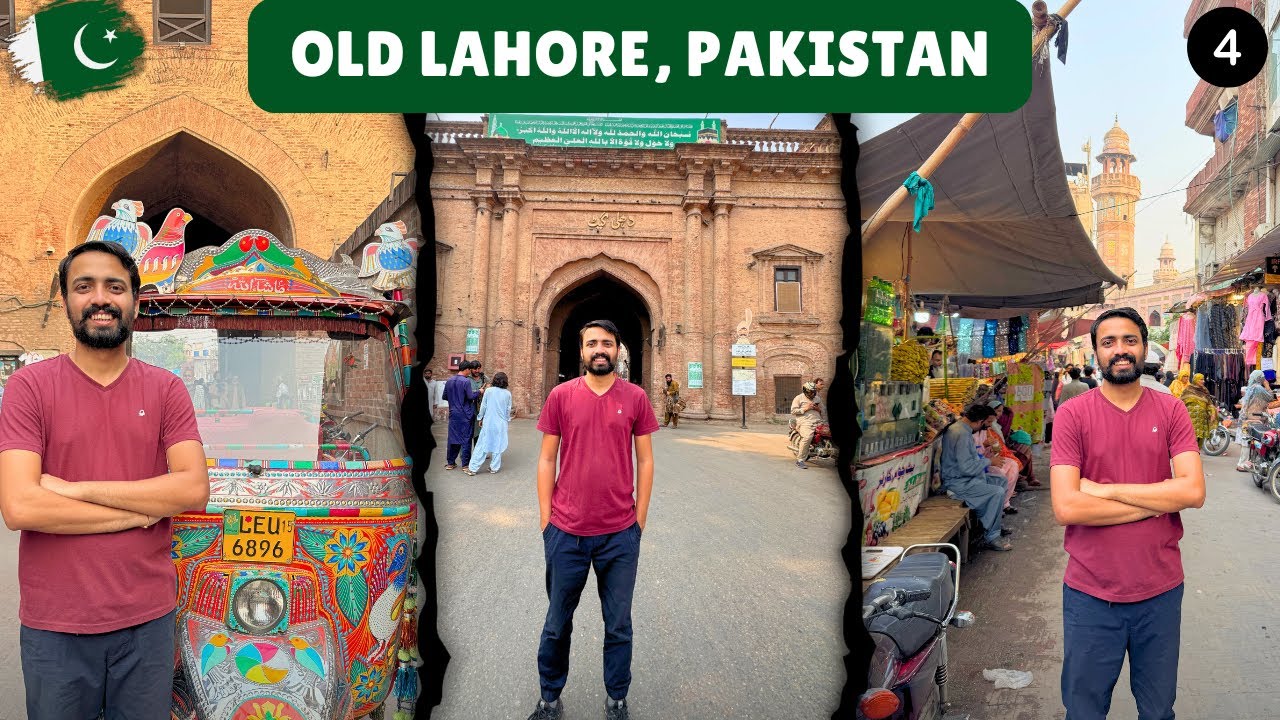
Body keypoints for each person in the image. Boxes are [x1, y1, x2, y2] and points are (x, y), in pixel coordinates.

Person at [0, 241, 209, 720]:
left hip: (146, 622)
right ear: (65, 301)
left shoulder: (165, 389)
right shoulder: (29, 388)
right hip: (56, 626)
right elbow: (22, 507)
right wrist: (142, 511)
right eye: (84, 286)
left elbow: (192, 490)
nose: (100, 298)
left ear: (134, 300)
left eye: (115, 287)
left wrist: (74, 490)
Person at [1049, 307, 1205, 720]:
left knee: (1158, 711)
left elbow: (1192, 490)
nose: (1120, 350)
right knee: (1083, 711)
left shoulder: (1171, 410)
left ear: (1144, 346)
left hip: (1160, 589)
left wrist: (1106, 491)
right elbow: (1067, 506)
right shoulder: (1072, 414)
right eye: (1109, 342)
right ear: (1096, 351)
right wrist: (1157, 501)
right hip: (1090, 593)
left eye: (1130, 340)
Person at [528, 319, 658, 720]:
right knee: (556, 623)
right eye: (591, 344)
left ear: (618, 350)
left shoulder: (635, 397)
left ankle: (616, 698)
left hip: (619, 534)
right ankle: (550, 697)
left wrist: (639, 521)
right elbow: (547, 457)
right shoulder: (561, 396)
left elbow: (646, 459)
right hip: (566, 532)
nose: (599, 350)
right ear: (581, 351)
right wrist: (546, 519)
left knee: (618, 624)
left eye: (607, 343)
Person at [939, 404, 1011, 551]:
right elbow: (967, 467)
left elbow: (969, 461)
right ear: (979, 421)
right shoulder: (961, 433)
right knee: (996, 492)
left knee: (1000, 480)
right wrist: (990, 461)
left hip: (967, 479)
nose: (988, 426)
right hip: (959, 484)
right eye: (987, 423)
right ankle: (992, 536)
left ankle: (989, 522)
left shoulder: (962, 430)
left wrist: (986, 459)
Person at [466, 371, 512, 476]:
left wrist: (480, 417)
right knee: (498, 444)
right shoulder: (507, 393)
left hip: (489, 421)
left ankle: (473, 468)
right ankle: (494, 468)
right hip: (501, 423)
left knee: (482, 443)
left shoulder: (489, 391)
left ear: (494, 380)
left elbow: (483, 406)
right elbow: (508, 410)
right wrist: (506, 420)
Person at [1236, 369, 1275, 472]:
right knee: (1252, 442)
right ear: (1260, 378)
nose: (1264, 379)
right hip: (1255, 419)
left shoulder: (1251, 388)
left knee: (1247, 441)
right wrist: (1267, 385)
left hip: (1247, 418)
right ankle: (1243, 464)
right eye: (1263, 377)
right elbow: (1271, 397)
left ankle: (1243, 463)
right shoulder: (1258, 388)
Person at [444, 361, 480, 470]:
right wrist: (479, 391)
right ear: (467, 369)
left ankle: (451, 463)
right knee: (466, 439)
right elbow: (470, 396)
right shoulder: (465, 381)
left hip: (453, 413)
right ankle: (465, 465)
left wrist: (454, 400)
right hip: (466, 414)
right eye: (470, 370)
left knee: (453, 438)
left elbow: (445, 396)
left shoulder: (449, 380)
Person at [790, 381, 823, 469]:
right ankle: (800, 460)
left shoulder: (817, 398)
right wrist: (805, 408)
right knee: (808, 437)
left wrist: (818, 408)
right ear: (806, 391)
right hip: (805, 422)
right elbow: (793, 411)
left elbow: (823, 410)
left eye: (814, 392)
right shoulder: (798, 398)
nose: (812, 394)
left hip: (818, 421)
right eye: (810, 392)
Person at [1180, 373, 1217, 451]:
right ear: (1196, 380)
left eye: (1203, 379)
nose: (1203, 381)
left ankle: (1195, 455)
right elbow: (1181, 402)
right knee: (1190, 438)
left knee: (1199, 439)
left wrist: (1213, 412)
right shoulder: (1188, 389)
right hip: (1190, 419)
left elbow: (1209, 403)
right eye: (1201, 379)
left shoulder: (1204, 390)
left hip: (1201, 420)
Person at [1043, 370, 1056, 449]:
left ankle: (1046, 440)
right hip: (1047, 405)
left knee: (1047, 424)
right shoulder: (1047, 385)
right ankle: (1047, 440)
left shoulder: (1045, 385)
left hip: (1046, 405)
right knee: (1048, 424)